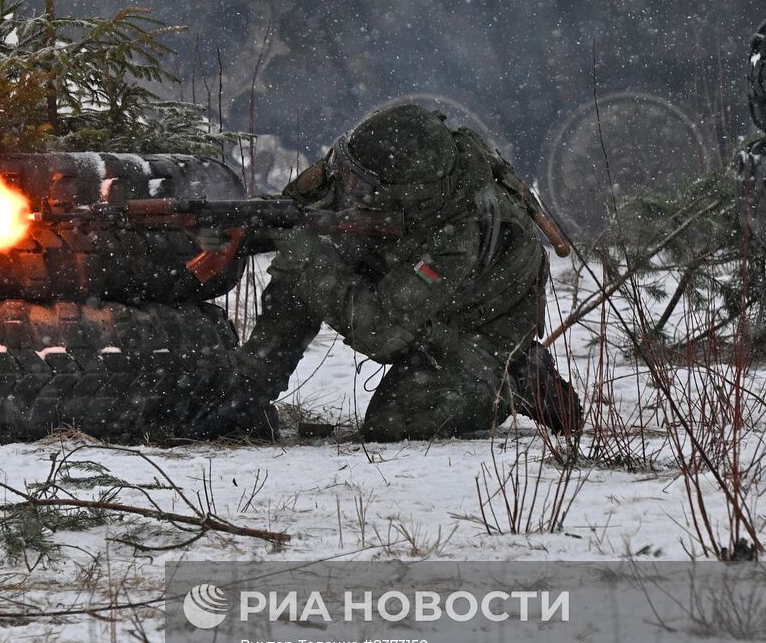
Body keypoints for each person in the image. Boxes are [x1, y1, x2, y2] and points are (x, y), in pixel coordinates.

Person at [235, 103, 581, 440]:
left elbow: (383, 335)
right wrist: (242, 229)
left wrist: (306, 255)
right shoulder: (365, 167)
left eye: (357, 182)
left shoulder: (457, 233)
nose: (343, 183)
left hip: (477, 330)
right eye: (344, 169)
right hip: (415, 295)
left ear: (402, 197)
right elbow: (296, 212)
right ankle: (247, 390)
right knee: (303, 270)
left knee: (397, 420)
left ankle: (515, 378)